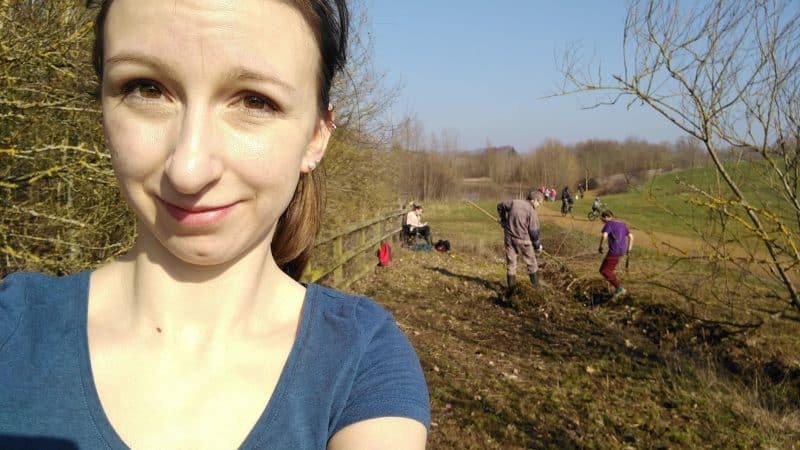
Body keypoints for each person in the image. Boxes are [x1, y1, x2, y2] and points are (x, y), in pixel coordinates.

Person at [0, 1, 429, 449]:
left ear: (317, 137)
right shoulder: (12, 333)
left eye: (255, 101)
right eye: (145, 88)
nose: (188, 168)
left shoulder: (361, 366)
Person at [497, 191, 545, 298]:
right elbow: (534, 233)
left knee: (511, 264)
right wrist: (537, 247)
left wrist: (504, 220)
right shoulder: (531, 212)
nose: (538, 206)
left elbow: (500, 206)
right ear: (534, 200)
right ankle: (536, 289)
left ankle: (511, 291)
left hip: (509, 238)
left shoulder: (514, 202)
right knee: (532, 264)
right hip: (524, 242)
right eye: (539, 203)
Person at [598, 210, 634, 298]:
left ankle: (619, 288)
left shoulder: (609, 224)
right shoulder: (622, 224)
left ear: (606, 217)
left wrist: (601, 246)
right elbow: (631, 237)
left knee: (605, 270)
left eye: (602, 219)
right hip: (622, 250)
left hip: (614, 251)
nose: (603, 222)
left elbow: (604, 235)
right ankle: (616, 287)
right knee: (607, 270)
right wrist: (629, 249)